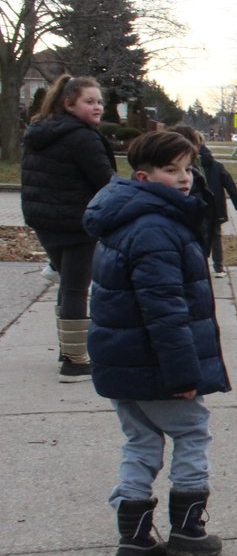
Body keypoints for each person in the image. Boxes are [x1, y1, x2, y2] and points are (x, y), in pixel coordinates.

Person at [84, 131, 230, 556]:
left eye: (188, 168)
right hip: (158, 366)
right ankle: (188, 528)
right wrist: (183, 375)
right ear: (145, 175)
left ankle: (134, 537)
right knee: (191, 433)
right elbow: (164, 311)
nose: (185, 179)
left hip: (123, 365)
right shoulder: (155, 229)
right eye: (172, 171)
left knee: (140, 442)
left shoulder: (125, 216)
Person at [20, 74, 117, 381]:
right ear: (69, 104)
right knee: (76, 287)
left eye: (99, 101)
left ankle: (68, 348)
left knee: (68, 284)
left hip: (45, 221)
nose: (98, 107)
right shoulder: (82, 136)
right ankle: (75, 360)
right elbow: (106, 181)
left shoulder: (40, 132)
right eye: (89, 101)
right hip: (77, 223)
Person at [169, 125, 237, 277]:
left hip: (198, 206)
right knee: (214, 235)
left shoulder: (191, 165)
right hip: (212, 206)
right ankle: (218, 267)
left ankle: (201, 266)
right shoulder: (213, 165)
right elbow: (229, 184)